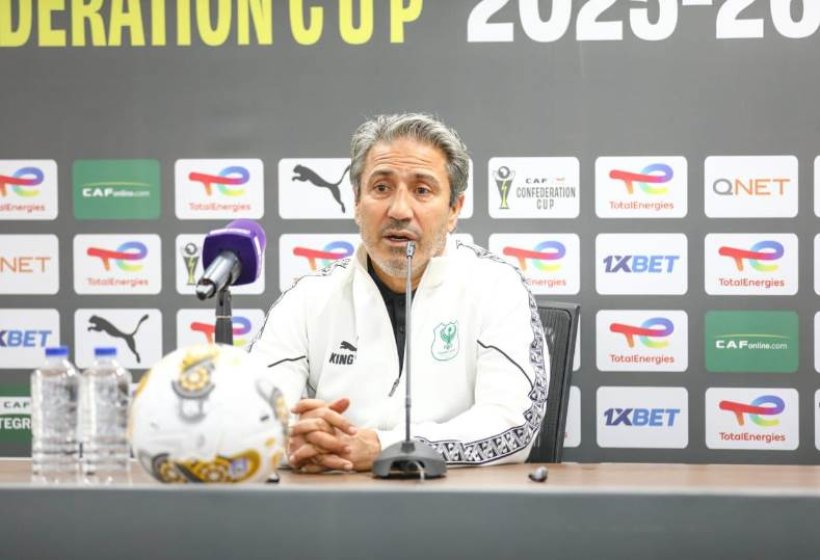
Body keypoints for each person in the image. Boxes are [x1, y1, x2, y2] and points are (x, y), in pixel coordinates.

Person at [249, 113, 548, 472]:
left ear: (454, 209)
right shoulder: (308, 298)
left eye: (422, 191)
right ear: (356, 201)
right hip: (335, 501)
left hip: (457, 501)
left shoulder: (497, 286)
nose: (399, 210)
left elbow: (513, 426)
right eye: (381, 188)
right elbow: (252, 417)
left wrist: (385, 448)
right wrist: (294, 439)